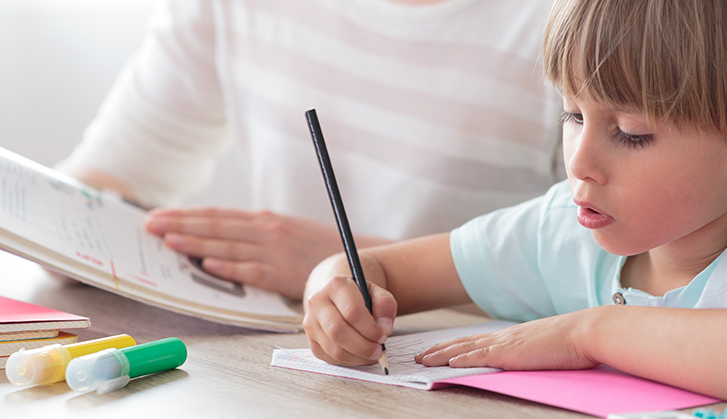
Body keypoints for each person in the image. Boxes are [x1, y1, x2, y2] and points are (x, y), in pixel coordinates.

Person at [302, 0, 727, 406]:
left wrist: (590, 333)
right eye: (572, 114)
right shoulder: (559, 231)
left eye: (631, 135)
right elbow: (373, 269)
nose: (580, 162)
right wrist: (335, 299)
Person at [55, 0, 562, 300]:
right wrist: (52, 231)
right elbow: (113, 173)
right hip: (285, 362)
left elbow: (612, 277)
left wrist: (358, 265)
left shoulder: (579, 21)